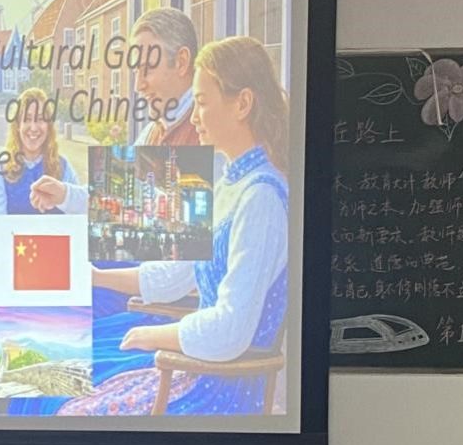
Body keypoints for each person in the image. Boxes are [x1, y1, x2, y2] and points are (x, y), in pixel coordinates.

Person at [58, 35, 290, 416]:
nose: (194, 116)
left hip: (217, 383)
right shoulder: (230, 182)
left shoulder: (260, 197)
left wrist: (154, 336)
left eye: (201, 102)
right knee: (42, 366)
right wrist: (97, 277)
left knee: (62, 397)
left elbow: (231, 328)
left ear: (243, 104)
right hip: (195, 357)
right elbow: (176, 274)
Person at [0, 88, 86, 216]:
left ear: (49, 126)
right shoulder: (1, 168)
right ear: (17, 126)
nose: (33, 128)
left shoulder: (63, 166)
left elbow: (79, 214)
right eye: (27, 119)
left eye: (40, 119)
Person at [130, 7, 201, 148]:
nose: (138, 86)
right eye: (136, 71)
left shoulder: (209, 132)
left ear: (181, 62)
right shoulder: (152, 132)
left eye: (147, 68)